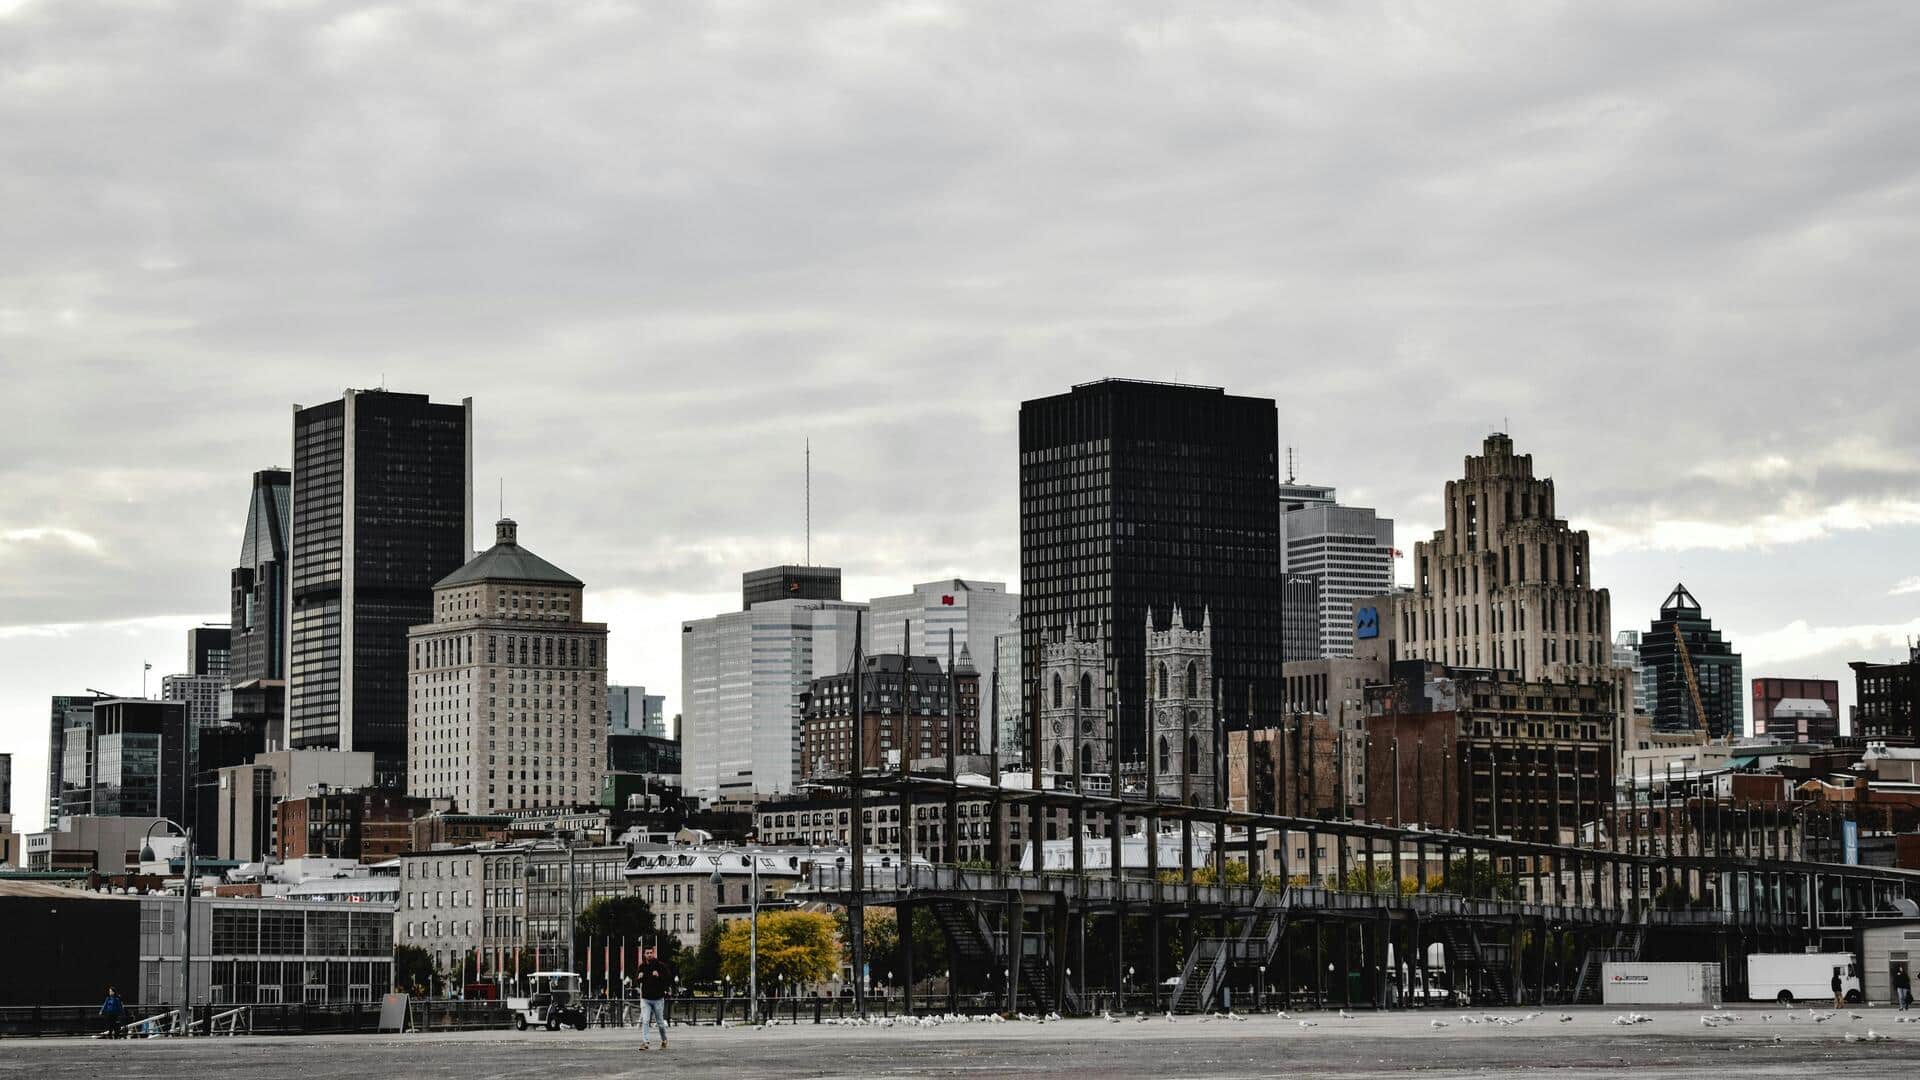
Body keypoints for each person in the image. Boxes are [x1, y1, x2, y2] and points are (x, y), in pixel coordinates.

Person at [636, 950, 674, 1050]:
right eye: (647, 953)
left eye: (650, 953)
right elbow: (638, 981)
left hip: (658, 998)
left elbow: (669, 977)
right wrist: (639, 978)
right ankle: (645, 1042)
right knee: (645, 1020)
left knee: (660, 1023)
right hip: (646, 999)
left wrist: (659, 975)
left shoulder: (660, 965)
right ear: (644, 955)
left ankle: (664, 1040)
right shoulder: (642, 966)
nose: (649, 955)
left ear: (653, 954)